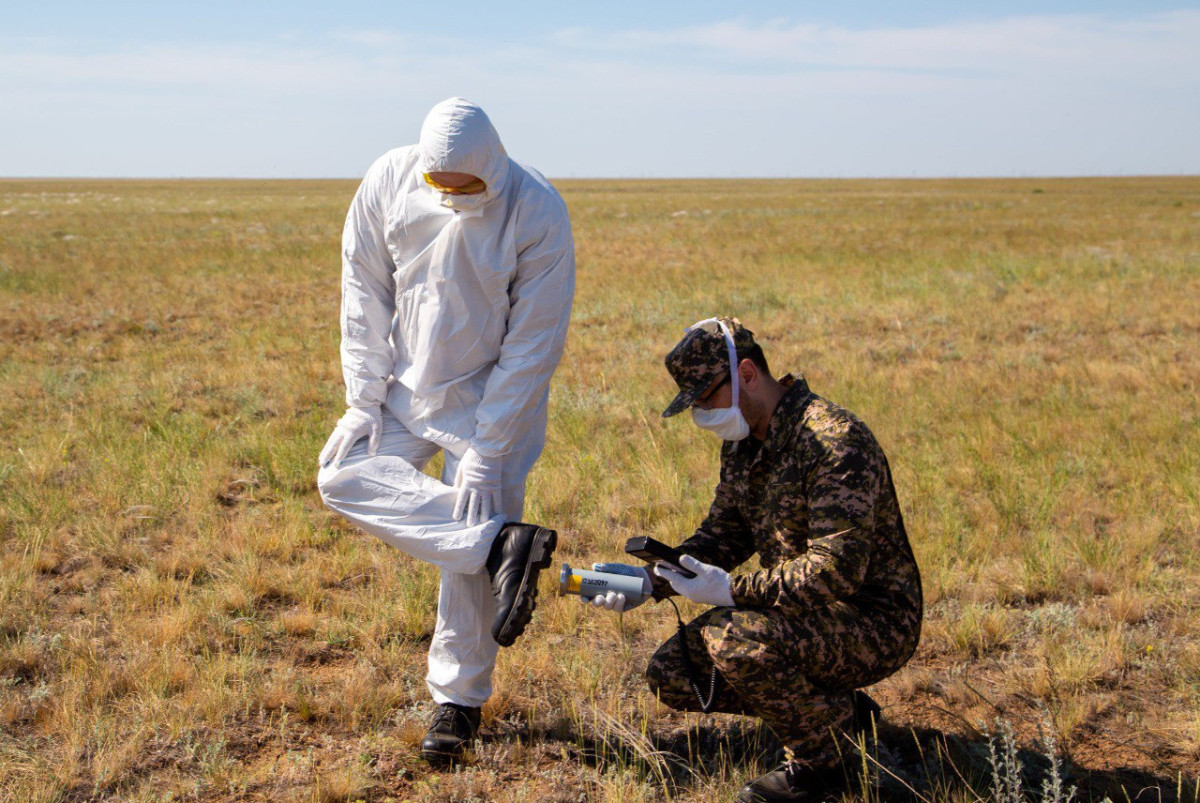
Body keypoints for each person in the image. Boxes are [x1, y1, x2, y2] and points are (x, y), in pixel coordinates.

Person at [316, 97, 574, 765]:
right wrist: (362, 400)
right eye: (441, 185)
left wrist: (490, 450)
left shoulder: (536, 208)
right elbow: (362, 291)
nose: (454, 196)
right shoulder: (387, 182)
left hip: (492, 402)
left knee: (469, 518)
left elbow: (532, 344)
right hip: (403, 388)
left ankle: (457, 702)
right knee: (340, 473)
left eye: (467, 187)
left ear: (492, 165)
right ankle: (503, 546)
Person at [588, 317, 922, 802]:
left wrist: (730, 591)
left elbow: (838, 569)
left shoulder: (833, 441)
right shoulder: (744, 442)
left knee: (733, 636)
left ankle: (822, 767)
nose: (702, 412)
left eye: (706, 396)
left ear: (746, 374)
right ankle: (837, 713)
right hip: (802, 612)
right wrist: (652, 580)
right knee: (674, 672)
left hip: (871, 618)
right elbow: (726, 532)